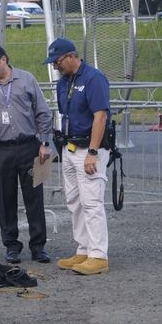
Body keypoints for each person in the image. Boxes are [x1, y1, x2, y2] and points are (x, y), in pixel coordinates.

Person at [0, 43, 53, 264]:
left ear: (4, 59)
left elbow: (43, 112)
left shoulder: (27, 79)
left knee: (35, 198)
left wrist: (45, 142)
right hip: (0, 150)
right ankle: (11, 246)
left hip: (30, 146)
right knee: (4, 200)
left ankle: (38, 246)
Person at [43, 38, 111, 275]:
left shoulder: (94, 78)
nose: (55, 67)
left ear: (71, 56)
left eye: (57, 61)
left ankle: (98, 255)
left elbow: (100, 116)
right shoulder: (64, 82)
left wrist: (92, 152)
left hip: (88, 149)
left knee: (91, 202)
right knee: (74, 201)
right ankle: (83, 249)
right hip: (70, 148)